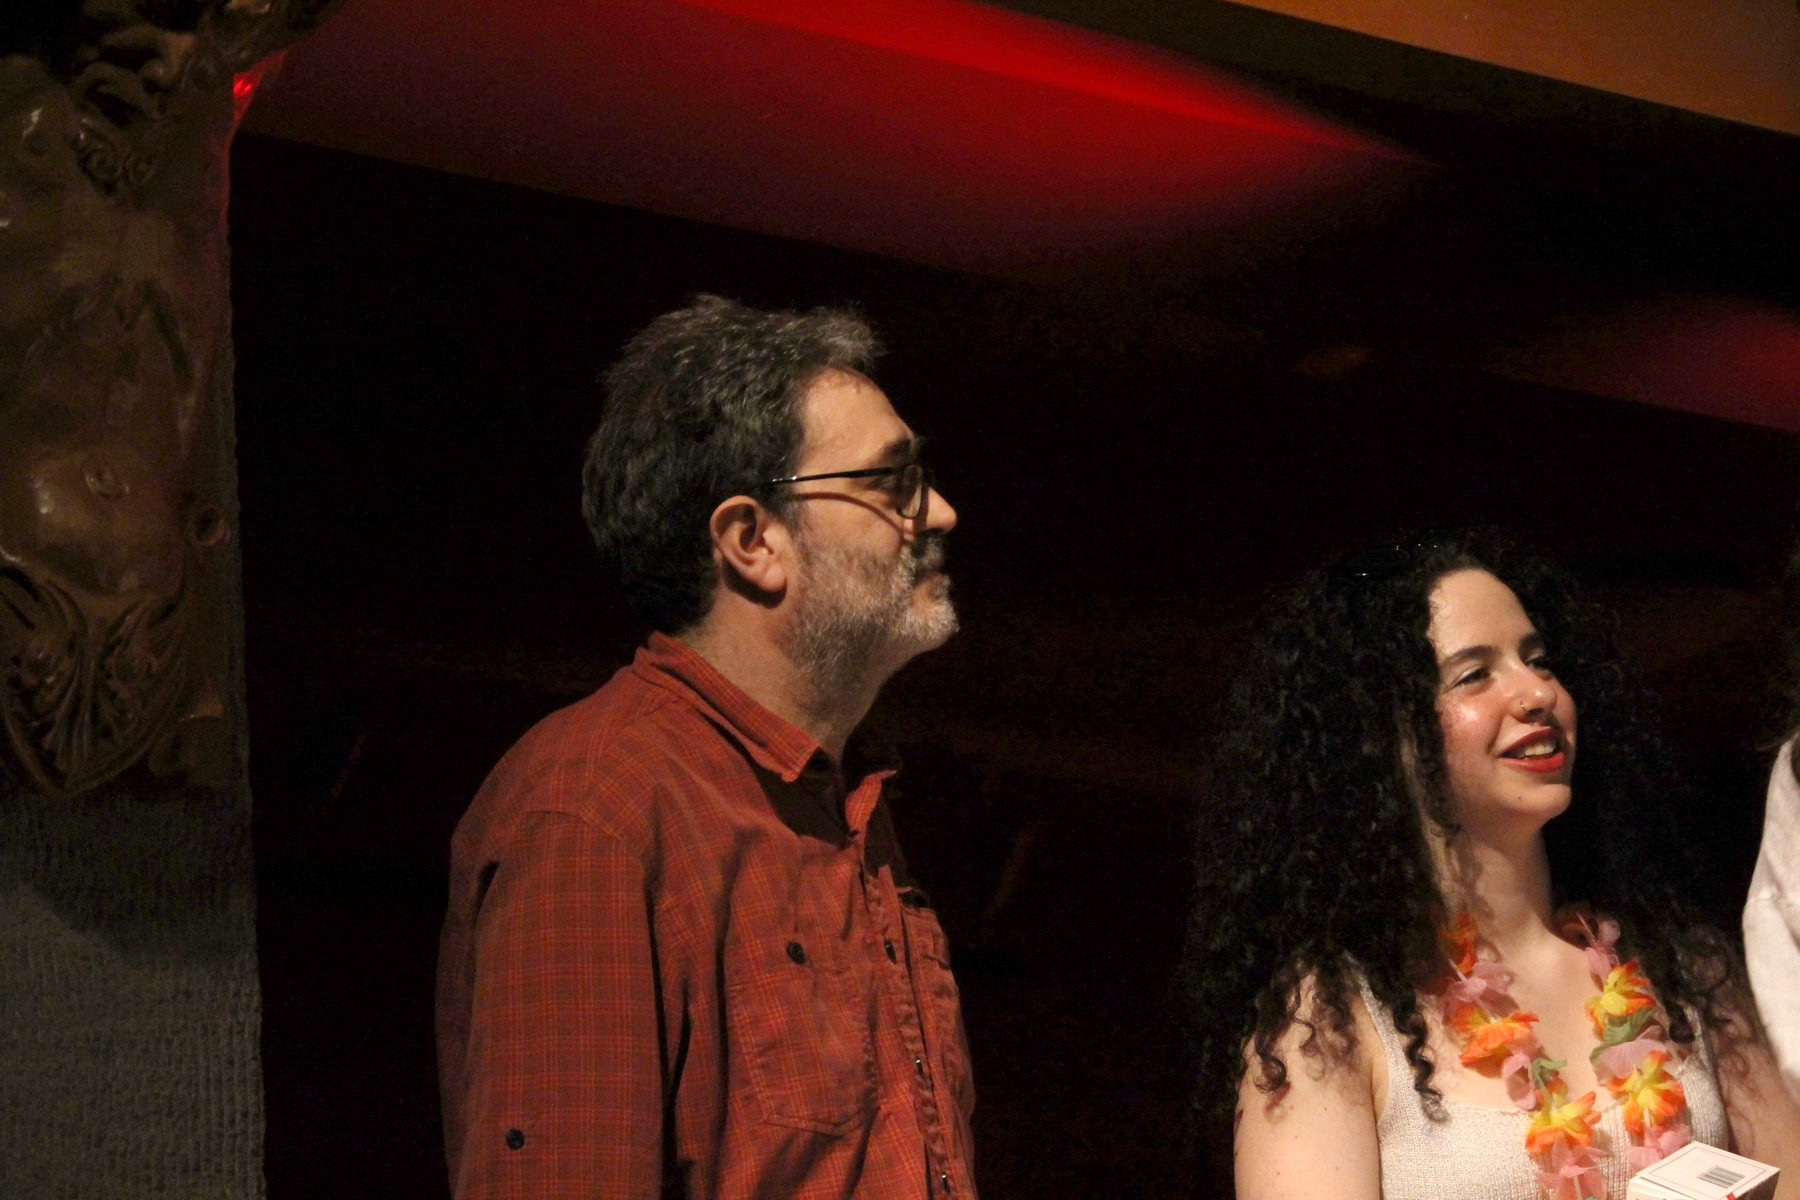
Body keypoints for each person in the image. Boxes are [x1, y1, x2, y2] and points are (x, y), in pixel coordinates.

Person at [436, 296, 975, 1199]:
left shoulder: (846, 803)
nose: (941, 512)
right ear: (753, 541)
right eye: (893, 481)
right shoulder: (594, 807)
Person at [1183, 530, 1800, 1200]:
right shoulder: (1328, 1019)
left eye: (1539, 660)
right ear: (1379, 733)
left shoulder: (1684, 968)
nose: (1536, 692)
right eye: (1475, 674)